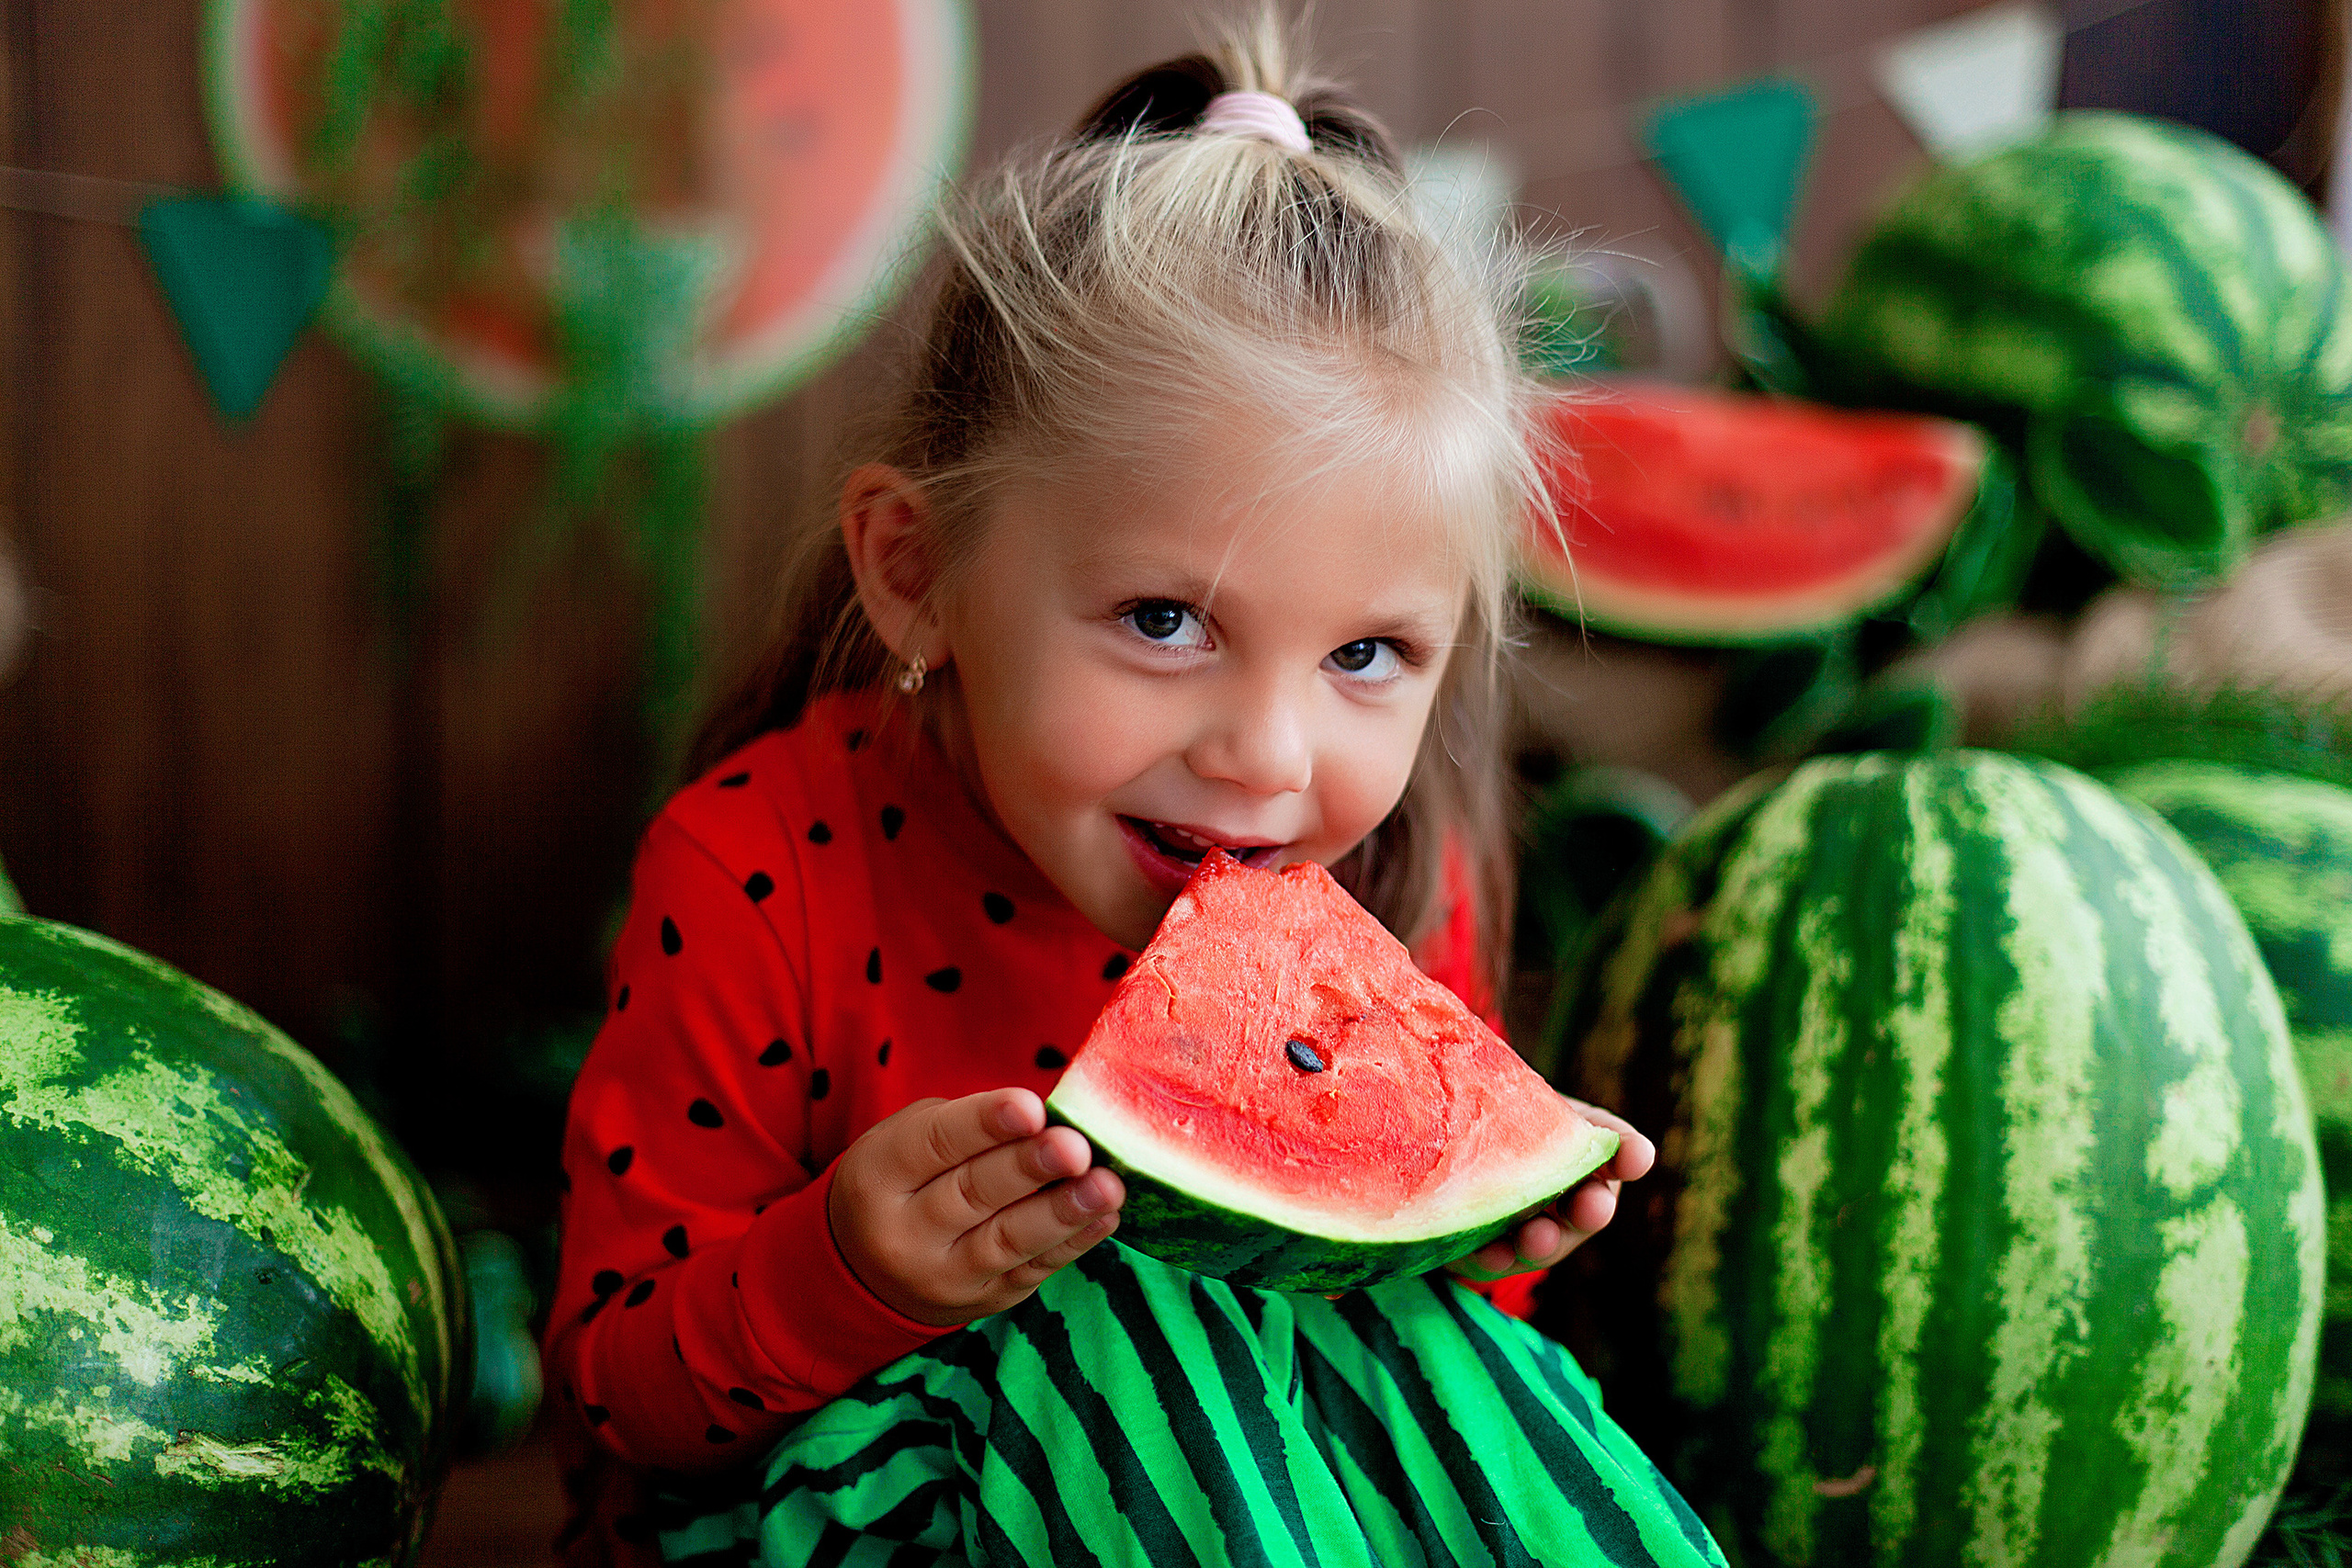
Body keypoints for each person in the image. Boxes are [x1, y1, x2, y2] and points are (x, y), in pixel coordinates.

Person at [545, 17, 1724, 1566]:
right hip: (816, 1521)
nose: (1268, 757)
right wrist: (845, 1269)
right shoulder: (759, 869)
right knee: (1144, 1319)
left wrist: (1464, 1250)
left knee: (1472, 1368)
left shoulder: (1386, 879)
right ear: (916, 576)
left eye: (1368, 652)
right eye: (1167, 623)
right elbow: (618, 1406)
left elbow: (1394, 1415)